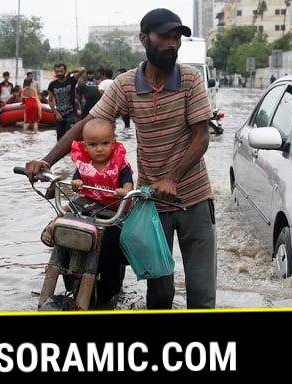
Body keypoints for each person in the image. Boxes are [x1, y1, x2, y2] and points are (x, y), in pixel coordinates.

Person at [26, 8, 216, 310]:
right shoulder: (127, 84)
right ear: (144, 39)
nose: (172, 44)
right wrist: (46, 161)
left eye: (177, 37)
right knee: (159, 293)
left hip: (193, 196)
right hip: (151, 200)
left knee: (202, 295)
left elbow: (201, 137)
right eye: (164, 36)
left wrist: (173, 177)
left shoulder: (190, 80)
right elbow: (86, 124)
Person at [41, 119, 134, 308]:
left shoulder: (120, 164)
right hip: (87, 204)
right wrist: (76, 183)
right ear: (85, 146)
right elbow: (77, 179)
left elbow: (128, 182)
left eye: (105, 144)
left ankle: (108, 294)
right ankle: (52, 228)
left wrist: (125, 190)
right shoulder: (84, 163)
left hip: (112, 209)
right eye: (93, 145)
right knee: (68, 211)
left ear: (113, 143)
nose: (99, 149)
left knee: (115, 242)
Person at [48, 63, 86, 141]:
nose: (59, 73)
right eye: (57, 71)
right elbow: (50, 100)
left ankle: (71, 151)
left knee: (69, 135)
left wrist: (70, 72)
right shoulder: (52, 84)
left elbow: (82, 69)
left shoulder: (71, 80)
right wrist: (56, 113)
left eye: (61, 71)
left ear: (65, 71)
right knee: (59, 138)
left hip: (71, 113)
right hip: (59, 114)